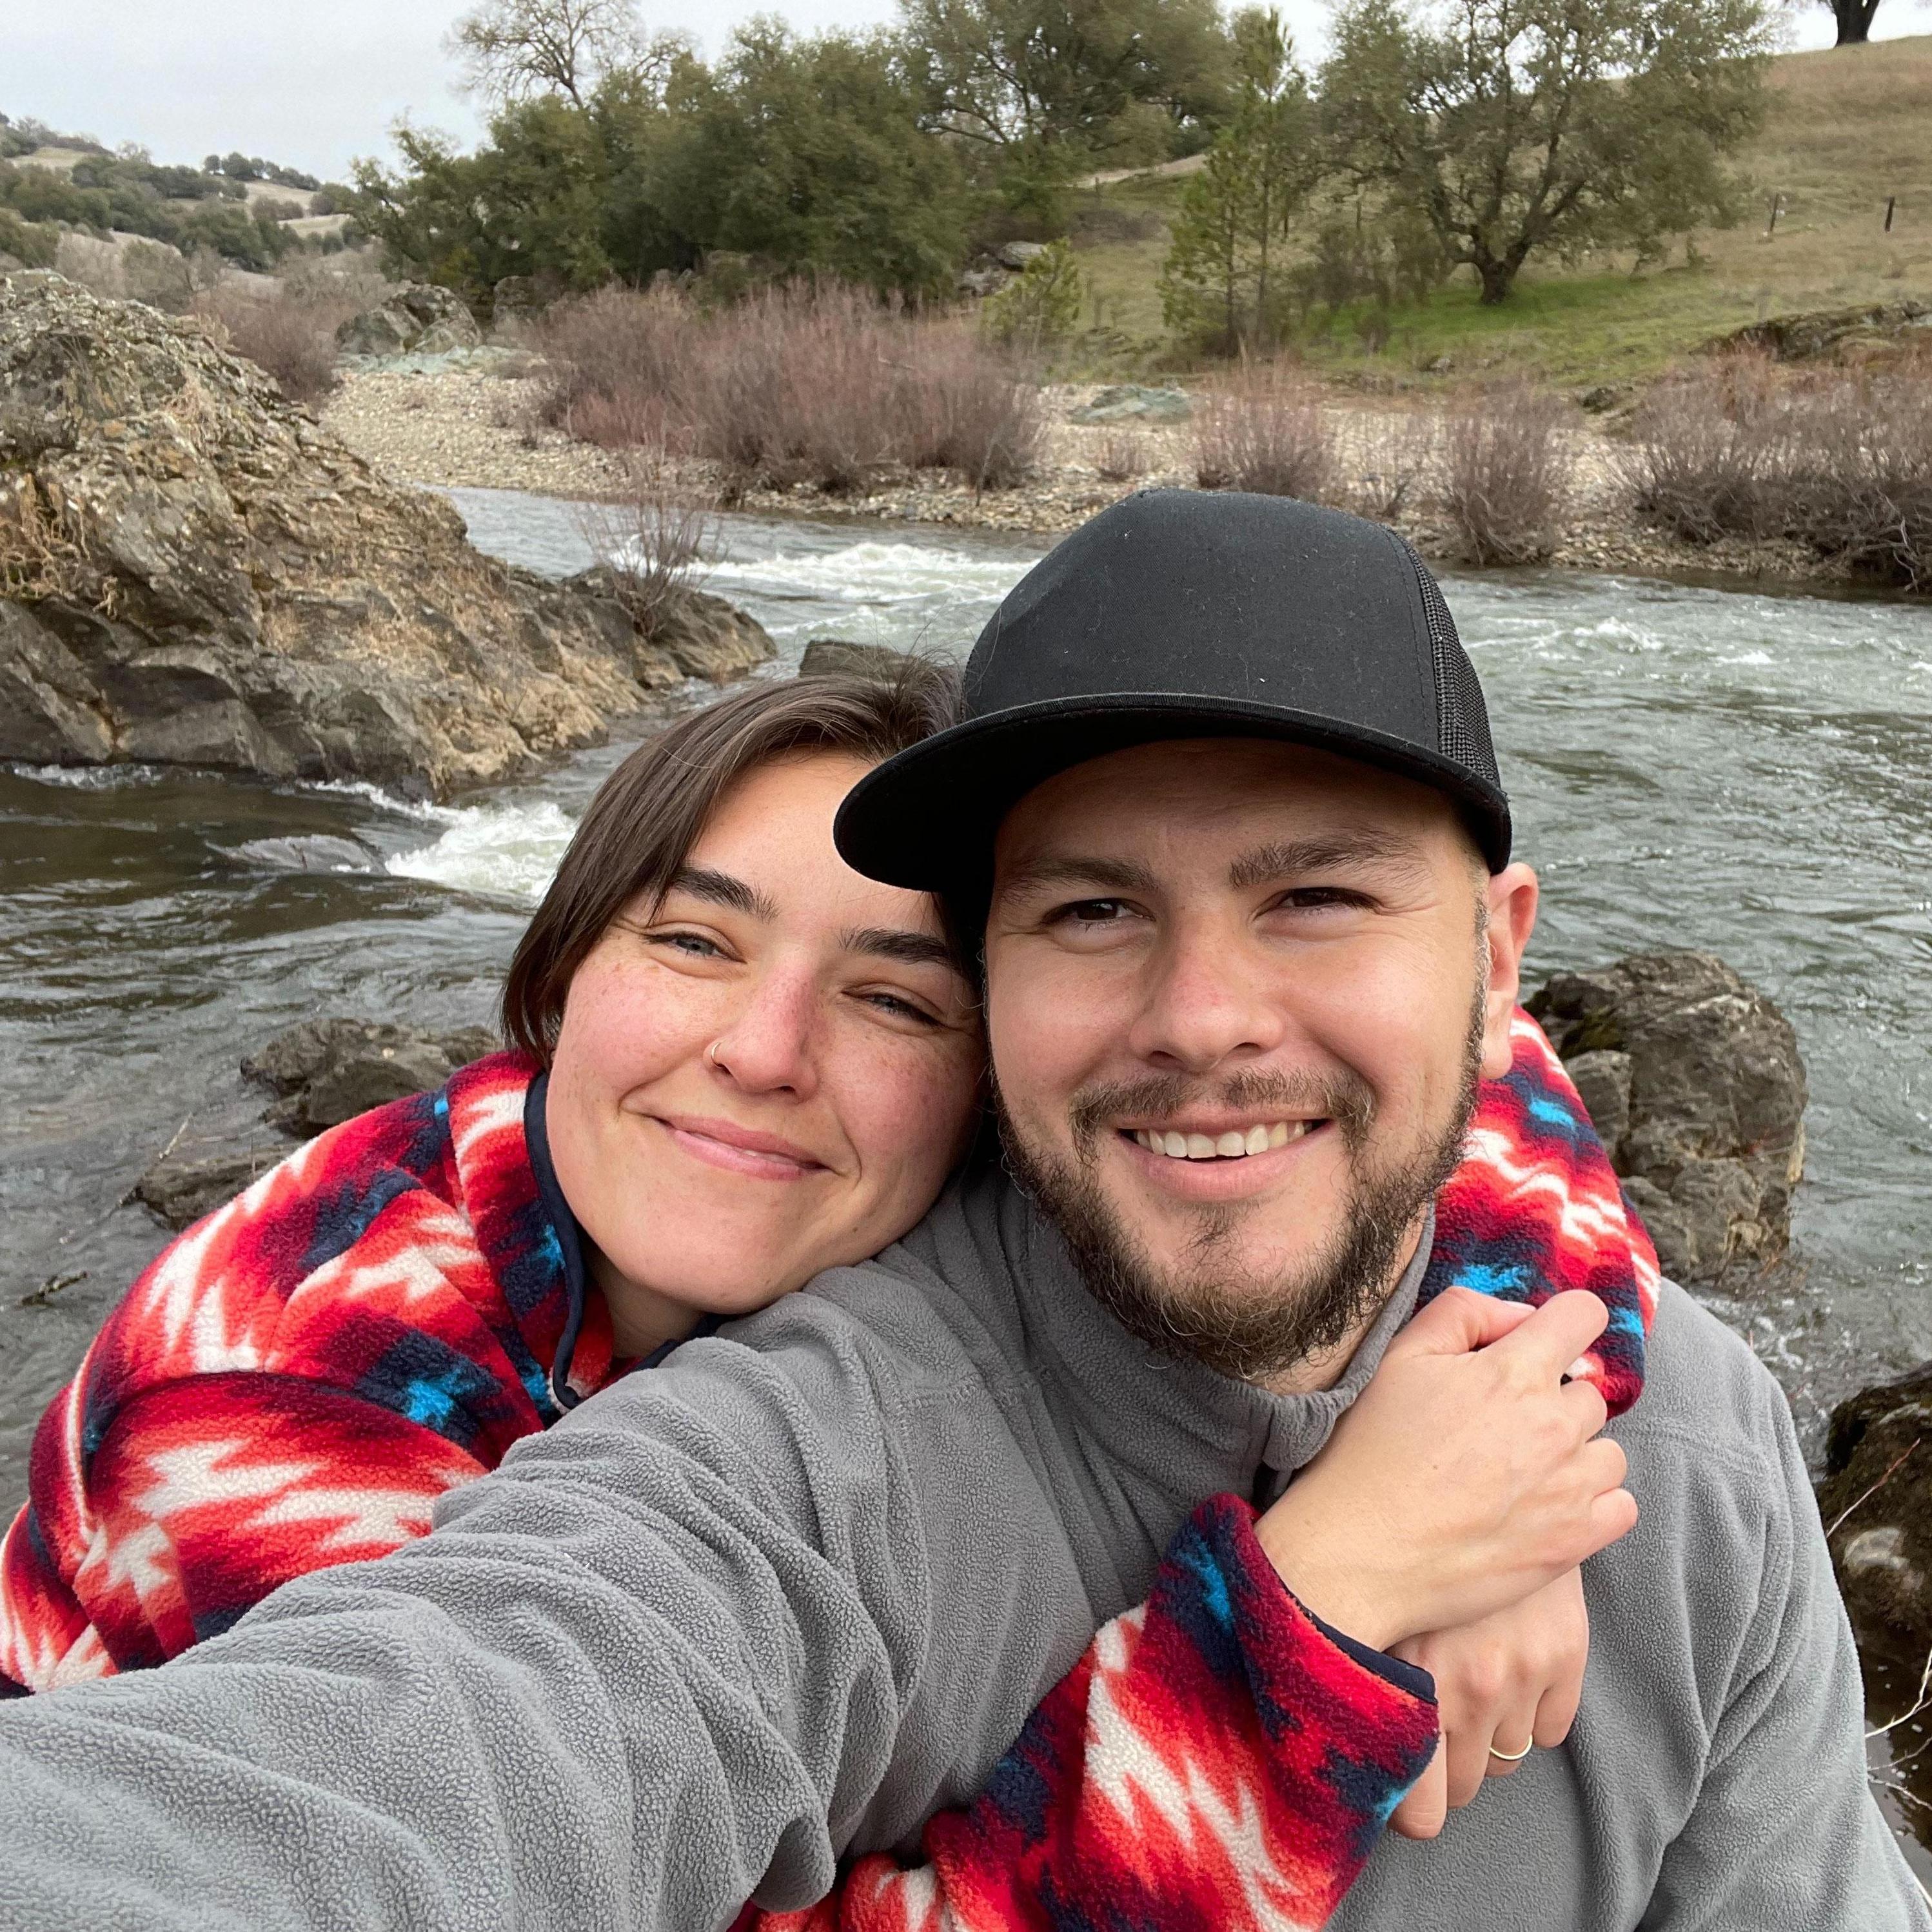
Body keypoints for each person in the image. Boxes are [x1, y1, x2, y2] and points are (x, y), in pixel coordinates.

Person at [2, 490, 1909, 1929]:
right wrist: (1312, 1627)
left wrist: (1557, 1391)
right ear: (557, 976)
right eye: (1093, 909)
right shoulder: (363, 1385)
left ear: (1495, 967)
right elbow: (381, 1776)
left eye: (1318, 897)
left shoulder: (1671, 1432)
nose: (1202, 1019)